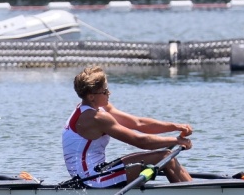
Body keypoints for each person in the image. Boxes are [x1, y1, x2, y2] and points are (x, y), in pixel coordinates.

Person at [62, 66, 193, 187]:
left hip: (95, 172)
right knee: (165, 156)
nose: (109, 93)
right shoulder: (95, 117)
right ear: (91, 97)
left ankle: (191, 190)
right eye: (105, 91)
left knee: (165, 156)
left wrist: (175, 126)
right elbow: (140, 141)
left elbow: (138, 123)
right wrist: (176, 140)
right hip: (91, 180)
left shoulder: (94, 107)